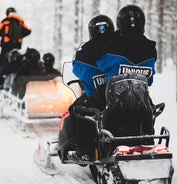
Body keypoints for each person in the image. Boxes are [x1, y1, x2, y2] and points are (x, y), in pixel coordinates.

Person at [58, 14, 116, 161]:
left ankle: (84, 150)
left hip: (98, 97)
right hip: (122, 94)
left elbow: (77, 69)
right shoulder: (120, 46)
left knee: (76, 111)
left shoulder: (86, 51)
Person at [97, 5, 157, 139]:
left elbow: (101, 65)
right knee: (150, 109)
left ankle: (90, 148)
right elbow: (150, 79)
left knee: (84, 110)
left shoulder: (112, 46)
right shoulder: (151, 48)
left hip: (114, 102)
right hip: (140, 102)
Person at [0, 7, 31, 91]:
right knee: (16, 65)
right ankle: (15, 85)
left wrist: (6, 36)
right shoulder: (20, 21)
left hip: (6, 47)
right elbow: (28, 31)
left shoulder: (5, 21)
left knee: (2, 65)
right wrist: (19, 36)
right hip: (17, 48)